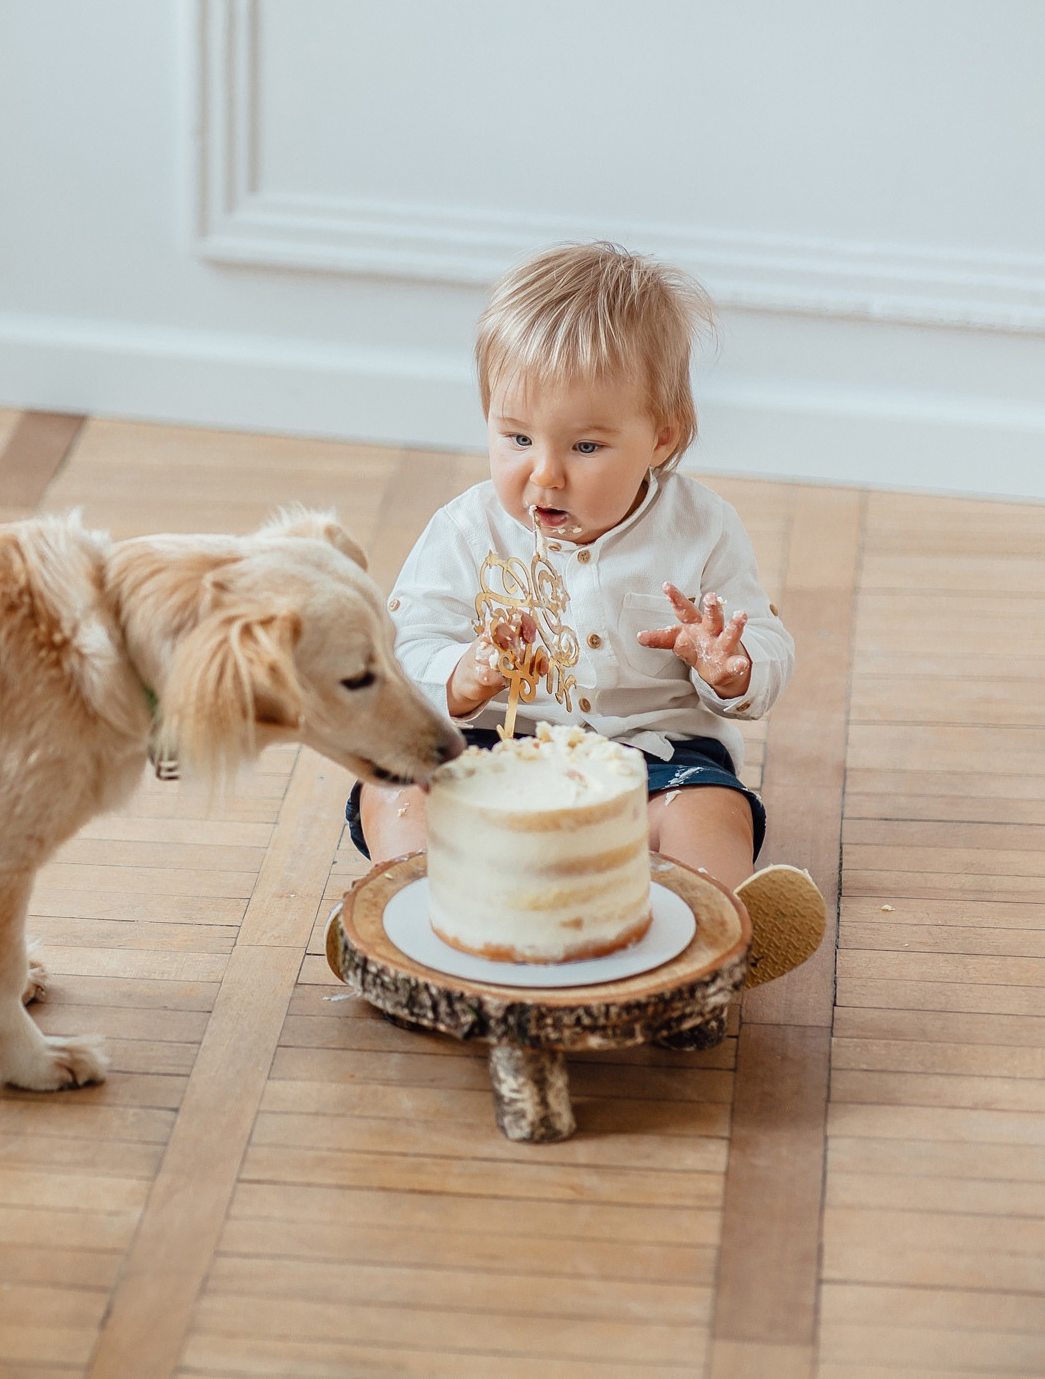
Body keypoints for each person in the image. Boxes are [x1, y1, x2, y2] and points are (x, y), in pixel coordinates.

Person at [349, 241, 823, 983]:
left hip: (652, 757)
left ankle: (713, 937)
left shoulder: (701, 529)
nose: (545, 472)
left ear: (661, 437)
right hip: (489, 748)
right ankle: (411, 909)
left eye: (586, 445)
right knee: (392, 782)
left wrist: (731, 666)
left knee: (712, 811)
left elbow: (763, 639)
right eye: (516, 437)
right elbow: (400, 650)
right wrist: (461, 675)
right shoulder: (467, 529)